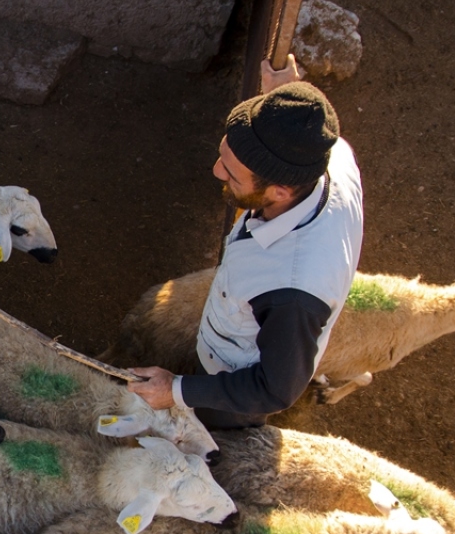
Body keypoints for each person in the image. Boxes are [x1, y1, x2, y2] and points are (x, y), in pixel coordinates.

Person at [128, 57, 364, 428]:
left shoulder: (292, 291)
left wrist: (177, 391)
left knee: (198, 435)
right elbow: (313, 123)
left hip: (234, 390)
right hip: (230, 337)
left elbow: (275, 389)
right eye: (224, 156)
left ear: (280, 191)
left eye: (232, 174)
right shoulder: (325, 157)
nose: (216, 171)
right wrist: (283, 100)